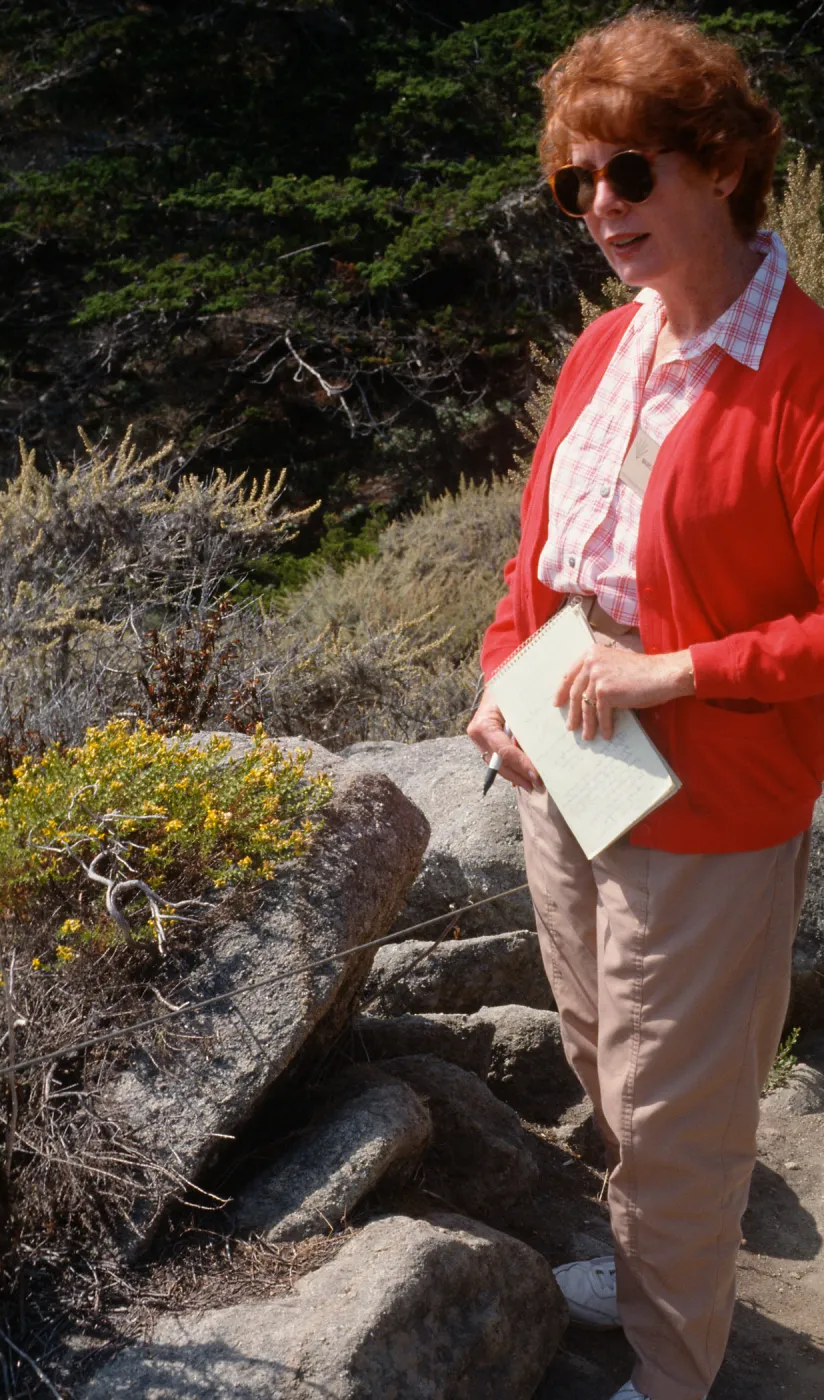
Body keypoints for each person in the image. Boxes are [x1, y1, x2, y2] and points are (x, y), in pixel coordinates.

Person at [467, 12, 824, 1400]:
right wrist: (506, 680)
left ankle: (678, 1370)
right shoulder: (603, 352)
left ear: (722, 164)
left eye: (631, 175)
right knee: (602, 1054)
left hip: (712, 785)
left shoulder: (801, 372)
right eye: (575, 184)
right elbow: (537, 558)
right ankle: (653, 1260)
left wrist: (668, 672)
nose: (599, 210)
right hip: (573, 758)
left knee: (675, 1106)